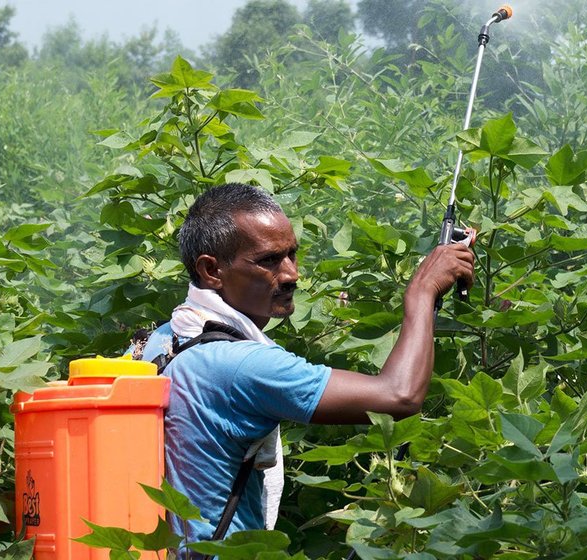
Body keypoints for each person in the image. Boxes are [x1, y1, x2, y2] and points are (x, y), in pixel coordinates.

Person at [130, 183, 474, 551]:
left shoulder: (167, 339)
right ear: (212, 270)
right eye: (269, 260)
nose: (292, 274)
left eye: (293, 254)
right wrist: (422, 292)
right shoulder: (240, 365)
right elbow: (400, 395)